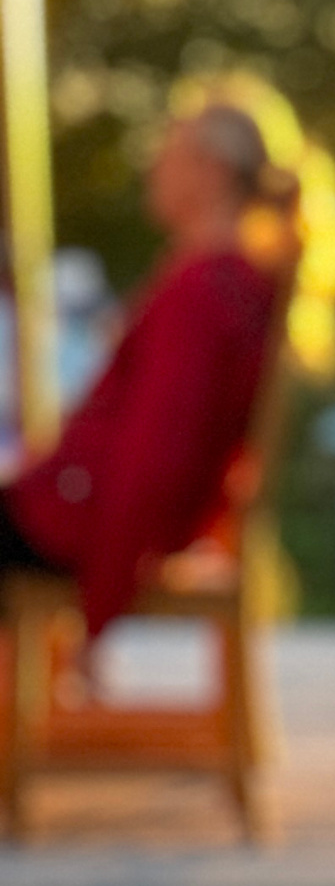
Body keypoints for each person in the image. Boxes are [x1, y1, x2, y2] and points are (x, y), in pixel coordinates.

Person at [0, 103, 293, 638]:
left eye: (167, 153)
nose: (152, 169)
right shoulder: (229, 281)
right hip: (86, 508)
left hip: (79, 520)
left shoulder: (203, 291)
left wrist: (100, 609)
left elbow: (156, 456)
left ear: (211, 170)